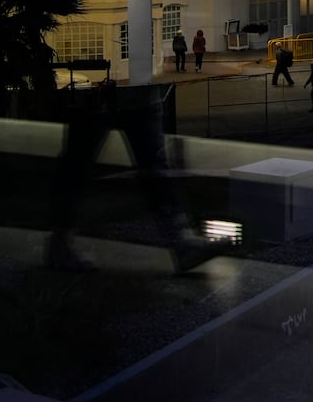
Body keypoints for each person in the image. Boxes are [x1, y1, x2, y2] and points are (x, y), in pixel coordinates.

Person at [45, 79, 210, 274]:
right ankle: (180, 241)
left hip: (110, 92)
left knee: (80, 160)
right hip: (127, 92)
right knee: (153, 165)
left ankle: (60, 240)